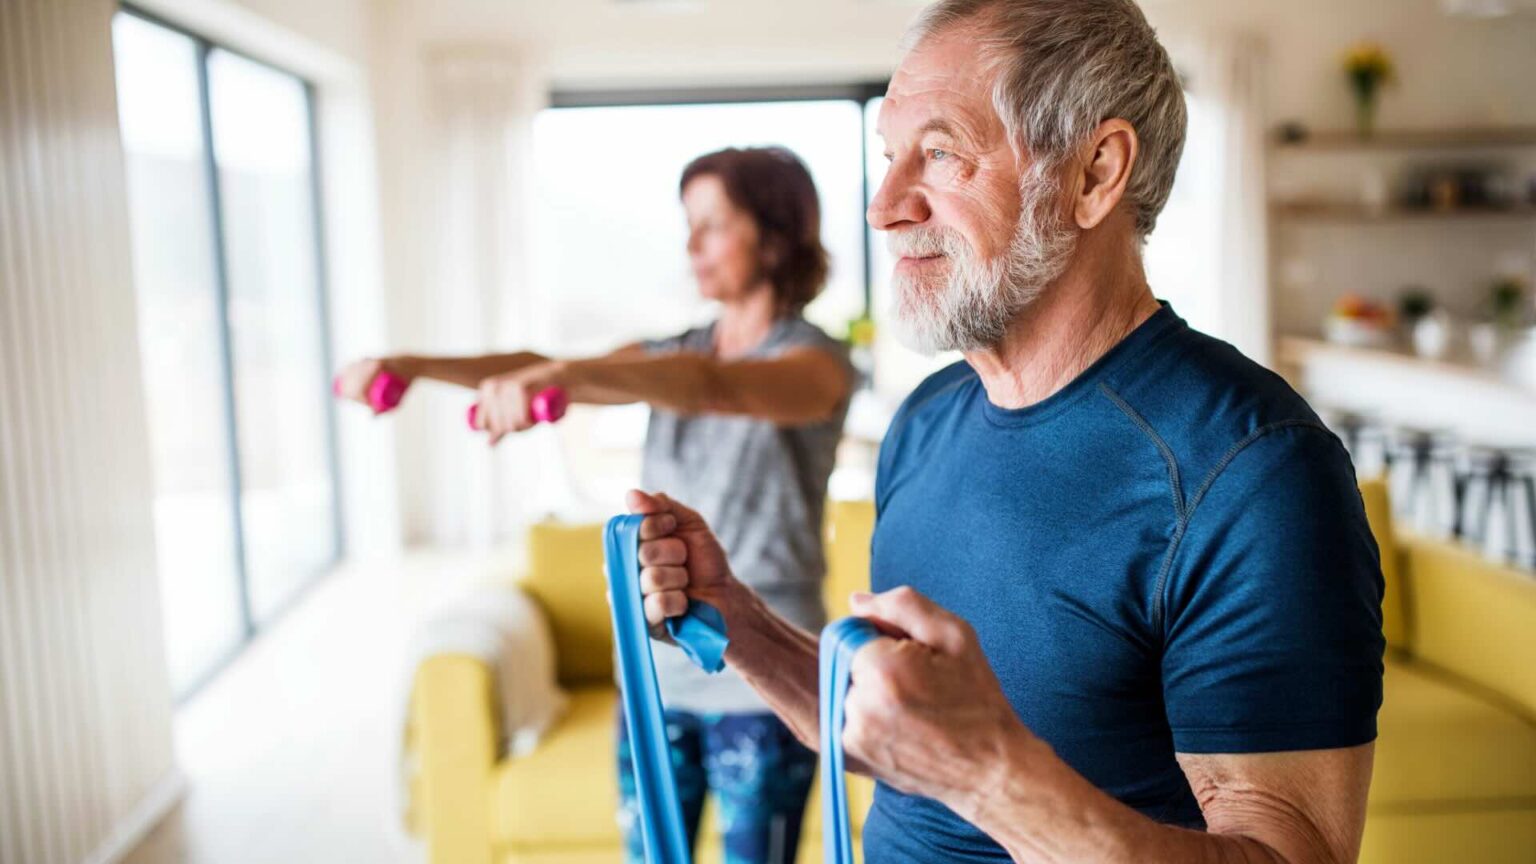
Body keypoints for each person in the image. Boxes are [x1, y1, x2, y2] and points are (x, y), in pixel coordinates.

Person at [627, 2, 1386, 863]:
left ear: (1095, 172)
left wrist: (989, 774)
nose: (883, 208)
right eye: (889, 159)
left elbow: (1293, 853)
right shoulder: (925, 422)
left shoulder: (1254, 473)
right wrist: (742, 624)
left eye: (941, 154)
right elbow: (903, 746)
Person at [335, 146, 854, 864]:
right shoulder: (671, 351)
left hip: (764, 686)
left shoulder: (816, 362)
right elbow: (548, 362)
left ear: (772, 234)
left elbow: (713, 385)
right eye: (688, 225)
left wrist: (573, 375)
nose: (692, 243)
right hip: (652, 672)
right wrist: (416, 367)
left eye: (712, 224)